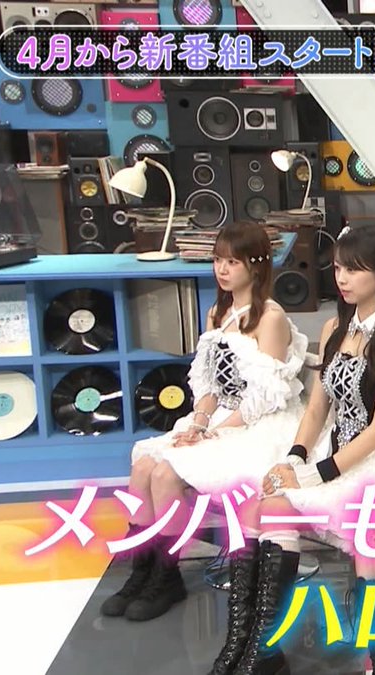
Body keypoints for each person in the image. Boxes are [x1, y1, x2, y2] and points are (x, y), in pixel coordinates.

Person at [205, 224, 375, 675]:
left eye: (354, 270)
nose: (342, 278)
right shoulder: (333, 327)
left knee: (371, 547)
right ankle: (254, 645)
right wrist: (295, 457)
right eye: (339, 268)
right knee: (265, 503)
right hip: (338, 449)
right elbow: (316, 409)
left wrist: (316, 472)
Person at [106, 222, 307, 622]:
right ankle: (143, 570)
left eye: (232, 261)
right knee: (143, 466)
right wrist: (198, 422)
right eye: (217, 260)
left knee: (165, 474)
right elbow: (208, 383)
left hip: (258, 422)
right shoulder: (217, 313)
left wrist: (215, 431)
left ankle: (167, 575)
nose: (222, 269)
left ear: (256, 265)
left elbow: (267, 395)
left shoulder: (271, 318)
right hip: (219, 417)